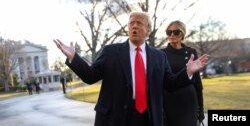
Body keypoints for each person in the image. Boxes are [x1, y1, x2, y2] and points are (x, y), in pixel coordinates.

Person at [53, 11, 208, 126]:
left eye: (139, 23)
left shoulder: (158, 56)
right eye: (131, 23)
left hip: (148, 118)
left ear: (148, 30)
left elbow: (170, 83)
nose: (134, 25)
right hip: (116, 117)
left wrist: (187, 72)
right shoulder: (111, 52)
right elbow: (90, 76)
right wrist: (74, 57)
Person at [161, 20, 205, 126]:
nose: (172, 35)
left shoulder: (191, 53)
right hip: (169, 102)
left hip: (189, 102)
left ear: (182, 34)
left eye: (176, 32)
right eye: (169, 32)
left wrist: (201, 108)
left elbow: (197, 83)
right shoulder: (161, 54)